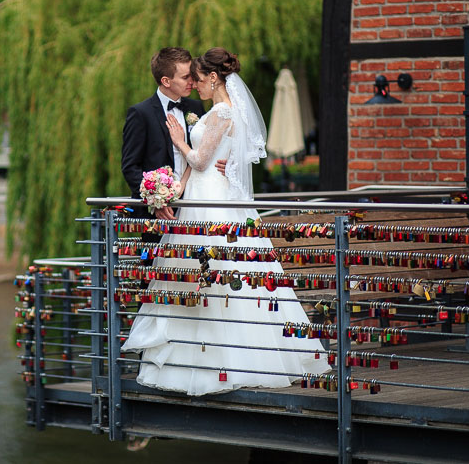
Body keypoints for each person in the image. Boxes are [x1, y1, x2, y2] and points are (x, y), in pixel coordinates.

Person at [121, 48, 330, 396]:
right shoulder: (155, 113)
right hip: (191, 200)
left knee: (218, 278)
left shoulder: (213, 111)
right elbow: (200, 161)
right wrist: (171, 191)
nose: (194, 84)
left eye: (198, 78)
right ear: (165, 79)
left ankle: (229, 362)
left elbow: (201, 157)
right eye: (188, 78)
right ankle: (182, 363)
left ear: (213, 78)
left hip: (212, 204)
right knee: (191, 279)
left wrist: (180, 142)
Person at [121, 47, 206, 220]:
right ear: (166, 81)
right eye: (185, 77)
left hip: (196, 202)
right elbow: (130, 167)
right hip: (158, 214)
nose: (192, 80)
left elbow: (203, 152)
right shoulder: (140, 113)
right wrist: (155, 202)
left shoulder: (196, 108)